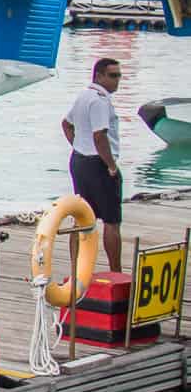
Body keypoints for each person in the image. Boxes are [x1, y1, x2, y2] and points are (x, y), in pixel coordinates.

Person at [62, 57, 123, 271]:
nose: (118, 80)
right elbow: (100, 136)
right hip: (99, 164)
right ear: (99, 76)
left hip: (80, 161)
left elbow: (66, 124)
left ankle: (75, 268)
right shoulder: (98, 100)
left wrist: (78, 145)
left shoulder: (84, 95)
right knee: (111, 220)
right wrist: (111, 166)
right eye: (113, 75)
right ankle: (115, 271)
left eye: (119, 75)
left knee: (82, 217)